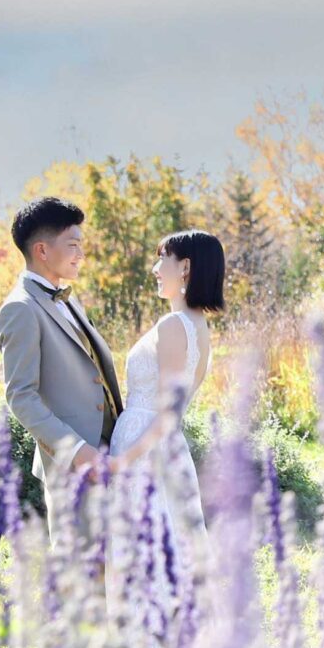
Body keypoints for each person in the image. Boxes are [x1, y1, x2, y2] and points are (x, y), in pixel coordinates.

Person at [0, 196, 124, 530]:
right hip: (72, 468)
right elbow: (21, 396)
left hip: (108, 456)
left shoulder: (68, 297)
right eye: (73, 245)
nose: (81, 254)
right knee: (81, 576)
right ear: (42, 250)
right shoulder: (20, 308)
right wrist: (78, 452)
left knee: (114, 571)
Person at [105, 230, 221, 536]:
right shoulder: (199, 326)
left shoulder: (172, 326)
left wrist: (121, 462)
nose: (155, 270)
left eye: (161, 259)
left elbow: (168, 413)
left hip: (144, 450)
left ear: (184, 267)